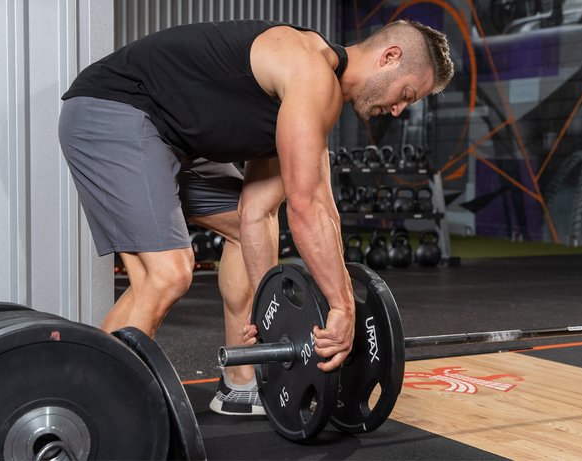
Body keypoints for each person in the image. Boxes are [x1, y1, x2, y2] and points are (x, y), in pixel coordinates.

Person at [58, 19, 453, 416]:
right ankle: (75, 407)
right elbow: (306, 209)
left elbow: (270, 210)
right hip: (115, 110)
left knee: (244, 229)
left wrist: (271, 315)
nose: (399, 109)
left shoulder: (313, 96)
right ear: (389, 57)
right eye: (405, 93)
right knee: (166, 274)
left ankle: (242, 382)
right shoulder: (309, 71)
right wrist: (343, 309)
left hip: (174, 141)